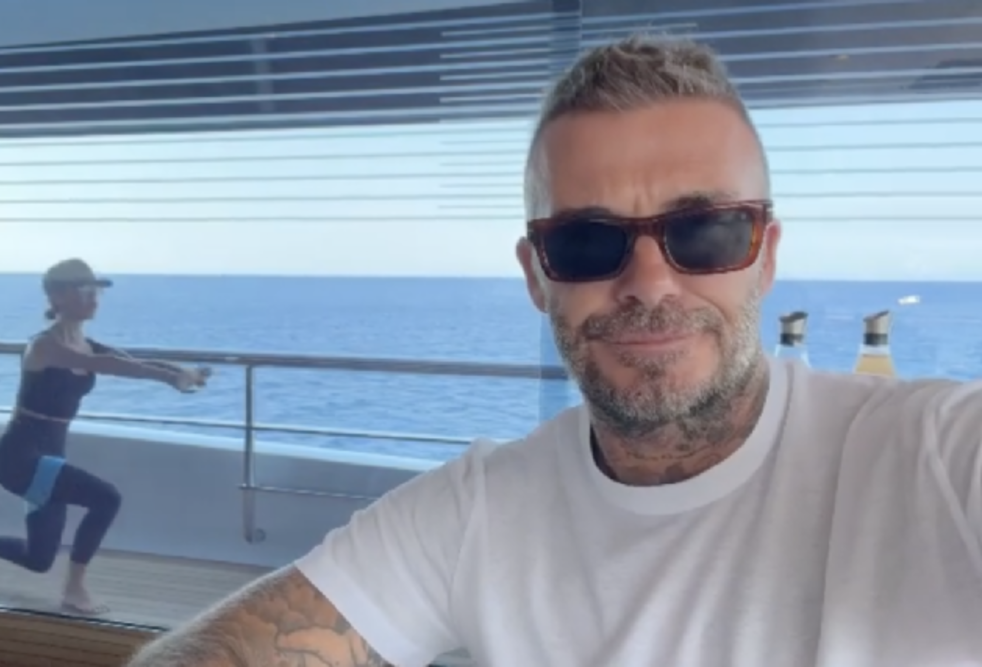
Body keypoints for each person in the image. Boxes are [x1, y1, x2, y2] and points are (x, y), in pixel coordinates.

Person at [127, 36, 982, 667]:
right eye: (585, 241)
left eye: (706, 230)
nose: (649, 281)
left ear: (764, 254)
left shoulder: (934, 458)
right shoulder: (482, 510)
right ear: (537, 275)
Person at [0, 258, 211, 616]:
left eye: (96, 291)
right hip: (19, 458)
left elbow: (130, 361)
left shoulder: (86, 343)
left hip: (50, 457)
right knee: (106, 498)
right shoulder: (43, 346)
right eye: (84, 290)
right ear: (57, 297)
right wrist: (169, 378)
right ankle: (74, 590)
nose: (93, 298)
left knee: (39, 559)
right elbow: (107, 366)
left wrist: (184, 372)